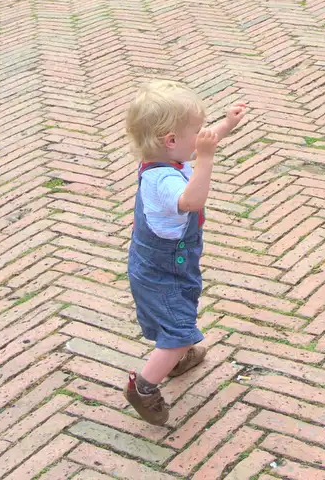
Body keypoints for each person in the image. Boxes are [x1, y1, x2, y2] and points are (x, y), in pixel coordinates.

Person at [120, 80, 247, 426]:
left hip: (161, 264)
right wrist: (206, 158)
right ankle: (144, 387)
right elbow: (192, 201)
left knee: (176, 317)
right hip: (163, 271)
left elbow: (196, 147)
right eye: (198, 132)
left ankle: (176, 356)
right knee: (177, 329)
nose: (203, 137)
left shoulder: (166, 156)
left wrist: (226, 125)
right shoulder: (163, 181)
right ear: (171, 141)